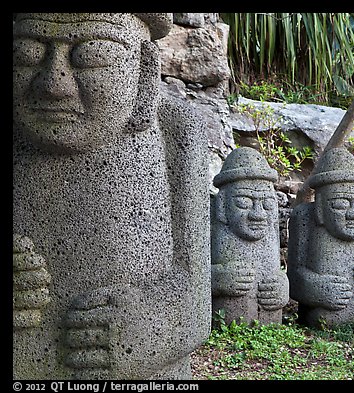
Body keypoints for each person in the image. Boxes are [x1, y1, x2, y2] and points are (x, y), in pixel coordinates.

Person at [13, 13, 211, 379]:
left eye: (94, 55)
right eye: (26, 54)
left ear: (145, 68)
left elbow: (196, 300)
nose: (54, 85)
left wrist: (154, 323)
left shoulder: (177, 131)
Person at [287, 148, 354, 328]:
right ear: (320, 208)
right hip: (321, 321)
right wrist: (317, 289)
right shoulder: (305, 218)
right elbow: (294, 277)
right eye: (341, 204)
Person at [211, 147, 289, 326]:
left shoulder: (269, 233)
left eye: (268, 203)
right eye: (244, 202)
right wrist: (218, 278)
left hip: (269, 326)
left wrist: (282, 287)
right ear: (222, 205)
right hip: (226, 327)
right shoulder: (210, 223)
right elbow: (190, 275)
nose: (258, 214)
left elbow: (284, 273)